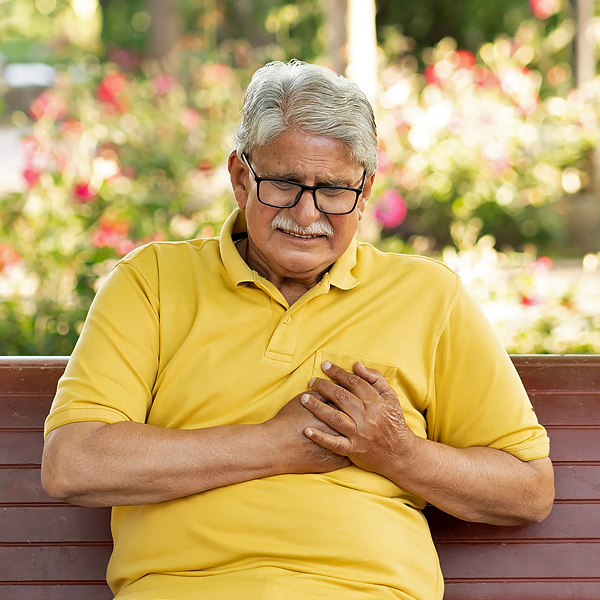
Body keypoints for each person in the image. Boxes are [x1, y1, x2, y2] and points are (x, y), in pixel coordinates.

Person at [41, 60, 554, 600]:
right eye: (284, 184)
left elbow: (527, 488)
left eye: (334, 189)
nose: (307, 213)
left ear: (366, 188)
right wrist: (273, 445)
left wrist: (395, 452)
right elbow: (73, 463)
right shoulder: (152, 282)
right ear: (241, 177)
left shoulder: (430, 295)